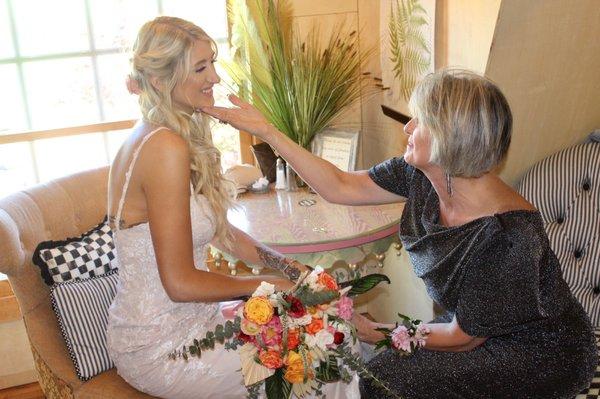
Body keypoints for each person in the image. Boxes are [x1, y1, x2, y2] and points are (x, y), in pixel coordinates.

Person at [202, 68, 598, 398]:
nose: (407, 127)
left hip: (537, 353)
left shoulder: (508, 237)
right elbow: (340, 185)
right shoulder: (421, 175)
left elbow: (465, 338)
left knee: (384, 379)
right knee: (380, 374)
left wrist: (375, 330)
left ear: (450, 135)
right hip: (474, 332)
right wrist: (269, 132)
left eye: (419, 120)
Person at [106, 16, 360, 399]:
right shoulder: (163, 148)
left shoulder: (169, 134)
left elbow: (224, 234)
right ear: (160, 81)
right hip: (163, 346)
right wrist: (263, 287)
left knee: (327, 325)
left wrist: (291, 269)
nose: (215, 78)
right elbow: (178, 283)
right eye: (200, 67)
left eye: (213, 62)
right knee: (329, 349)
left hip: (197, 322)